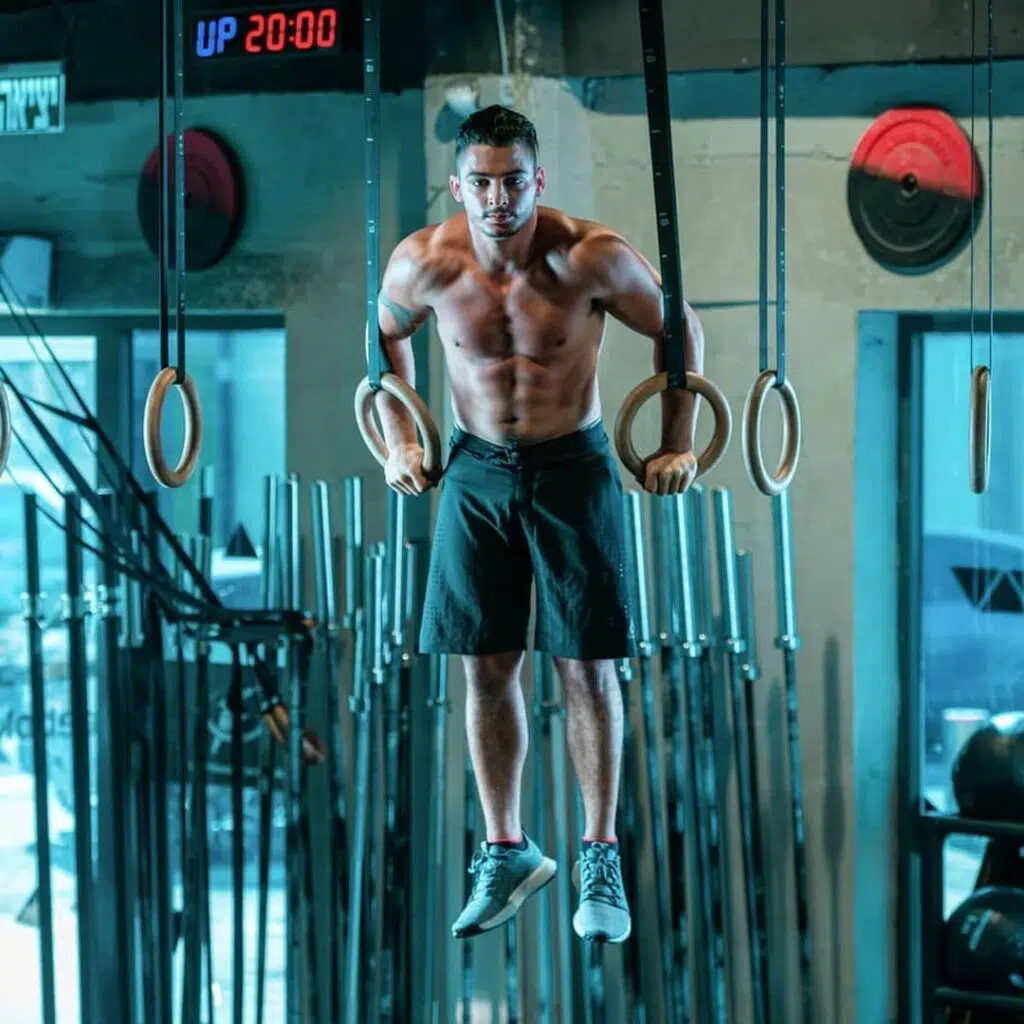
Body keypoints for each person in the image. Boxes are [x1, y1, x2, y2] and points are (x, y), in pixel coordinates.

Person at [371, 105, 704, 944]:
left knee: (585, 666)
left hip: (573, 466)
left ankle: (600, 853)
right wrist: (401, 436)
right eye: (481, 183)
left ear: (537, 180)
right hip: (474, 469)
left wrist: (676, 441)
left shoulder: (590, 256)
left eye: (513, 181)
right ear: (458, 185)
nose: (498, 199)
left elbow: (678, 328)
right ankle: (506, 849)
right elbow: (381, 340)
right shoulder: (423, 263)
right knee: (484, 665)